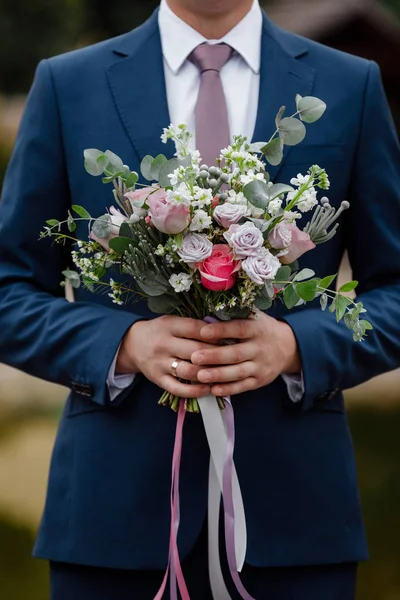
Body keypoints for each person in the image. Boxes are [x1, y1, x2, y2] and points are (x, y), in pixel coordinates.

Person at [1, 0, 400, 598]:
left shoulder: (349, 84)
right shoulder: (67, 84)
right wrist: (123, 345)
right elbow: (10, 291)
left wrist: (297, 346)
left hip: (296, 518)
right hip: (112, 518)